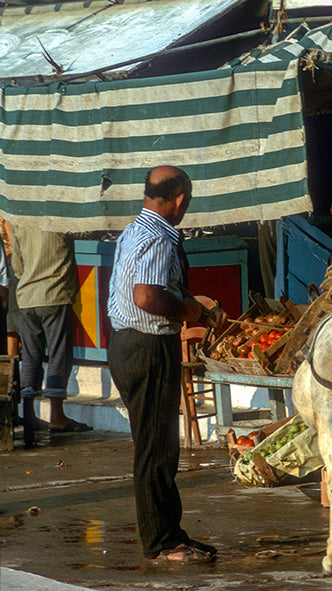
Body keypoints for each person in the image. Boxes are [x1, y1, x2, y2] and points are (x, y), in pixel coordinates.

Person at [107, 165, 227, 563]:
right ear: (180, 199)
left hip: (127, 344)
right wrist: (188, 309)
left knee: (155, 446)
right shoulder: (158, 236)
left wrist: (192, 302)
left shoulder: (134, 230)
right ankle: (162, 542)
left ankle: (169, 534)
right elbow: (146, 297)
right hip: (147, 347)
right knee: (157, 449)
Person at [9, 223, 92, 434]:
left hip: (27, 297)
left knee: (30, 357)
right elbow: (85, 231)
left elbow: (17, 267)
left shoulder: (21, 223)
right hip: (55, 294)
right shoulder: (59, 219)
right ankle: (57, 416)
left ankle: (29, 415)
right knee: (58, 354)